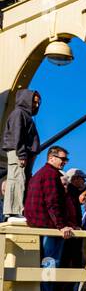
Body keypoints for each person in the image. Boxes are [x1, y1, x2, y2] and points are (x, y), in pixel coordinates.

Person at [23, 145, 80, 291]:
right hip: (49, 227)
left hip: (40, 224)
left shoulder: (41, 174)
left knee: (46, 262)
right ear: (51, 158)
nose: (64, 162)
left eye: (66, 159)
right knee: (50, 262)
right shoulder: (51, 175)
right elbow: (53, 203)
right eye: (62, 159)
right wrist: (62, 226)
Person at [2, 88, 41, 223]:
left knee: (22, 180)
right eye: (34, 102)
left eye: (37, 103)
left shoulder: (25, 115)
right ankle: (13, 211)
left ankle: (18, 210)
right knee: (16, 180)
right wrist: (21, 154)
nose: (36, 105)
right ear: (26, 100)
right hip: (19, 153)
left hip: (24, 153)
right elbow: (16, 134)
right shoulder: (19, 113)